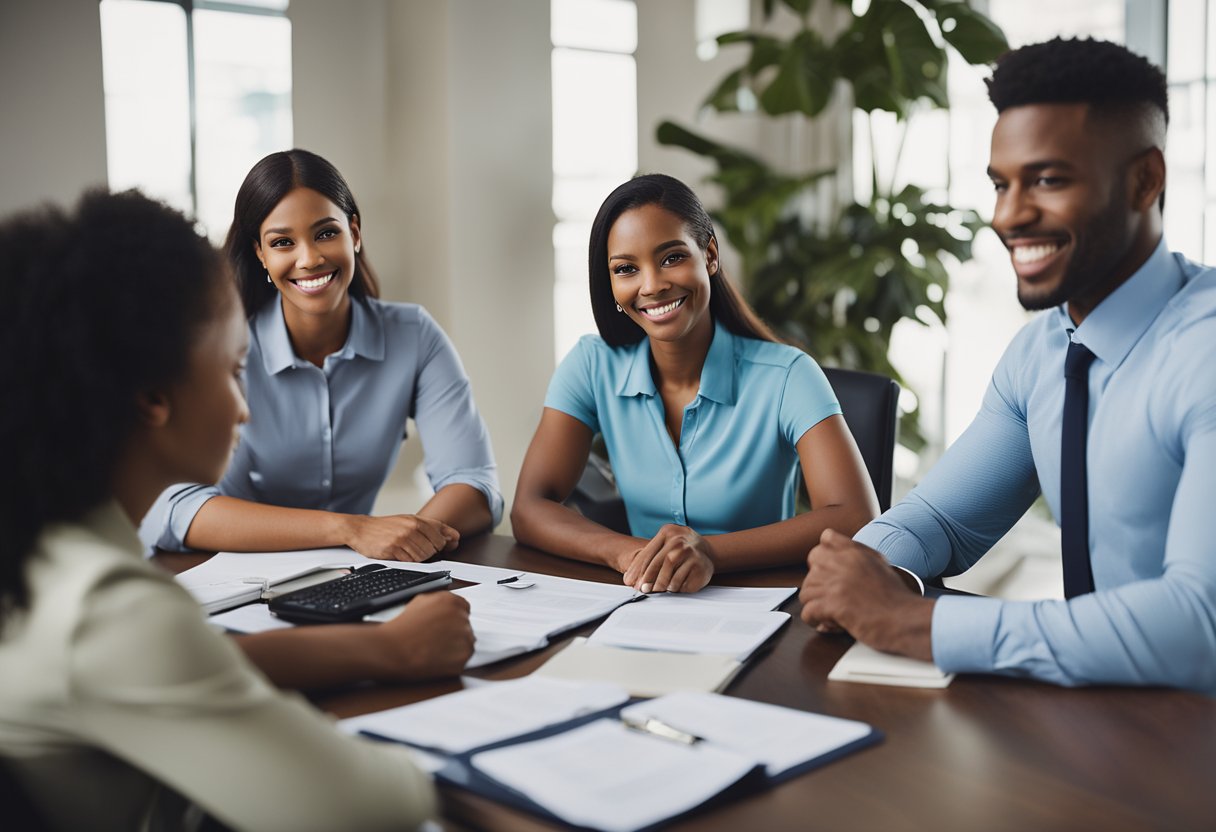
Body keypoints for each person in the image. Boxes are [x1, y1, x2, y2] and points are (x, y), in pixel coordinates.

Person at [0, 190, 464, 830]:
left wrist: (387, 649)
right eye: (233, 368)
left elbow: (202, 663)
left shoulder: (48, 558)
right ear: (154, 398)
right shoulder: (109, 611)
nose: (245, 407)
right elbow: (375, 805)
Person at [799, 38, 1216, 694]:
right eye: (1001, 184)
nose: (1008, 216)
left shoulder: (1205, 354)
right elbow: (940, 520)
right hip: (1106, 727)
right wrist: (860, 570)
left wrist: (911, 622)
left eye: (1047, 180)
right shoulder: (1044, 351)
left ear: (1145, 180)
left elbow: (1197, 626)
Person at [513, 174, 878, 594]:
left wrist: (710, 552)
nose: (651, 285)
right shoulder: (592, 366)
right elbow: (530, 507)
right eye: (626, 269)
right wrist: (628, 553)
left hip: (761, 607)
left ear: (709, 255)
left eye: (671, 258)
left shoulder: (789, 375)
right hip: (646, 600)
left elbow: (855, 516)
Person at [141, 149, 501, 562]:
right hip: (229, 576)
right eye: (282, 242)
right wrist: (349, 528)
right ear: (260, 253)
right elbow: (175, 507)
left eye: (326, 233)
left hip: (353, 577)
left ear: (355, 232)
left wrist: (406, 546)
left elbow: (474, 484)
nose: (310, 258)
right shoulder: (223, 348)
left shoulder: (413, 336)